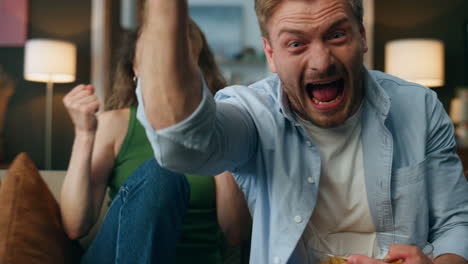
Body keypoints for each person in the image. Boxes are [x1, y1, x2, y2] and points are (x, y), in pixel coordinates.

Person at [135, 0, 468, 264]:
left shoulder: (419, 106)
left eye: (337, 35)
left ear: (362, 36)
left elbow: (456, 223)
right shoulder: (253, 113)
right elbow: (184, 143)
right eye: (296, 43)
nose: (321, 62)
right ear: (271, 54)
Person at [60, 20, 251, 263]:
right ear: (135, 68)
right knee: (161, 173)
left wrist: (215, 134)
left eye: (178, 58)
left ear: (196, 70)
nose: (165, 66)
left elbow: (236, 233)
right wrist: (84, 134)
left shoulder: (224, 124)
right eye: (154, 55)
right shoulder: (113, 124)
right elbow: (75, 226)